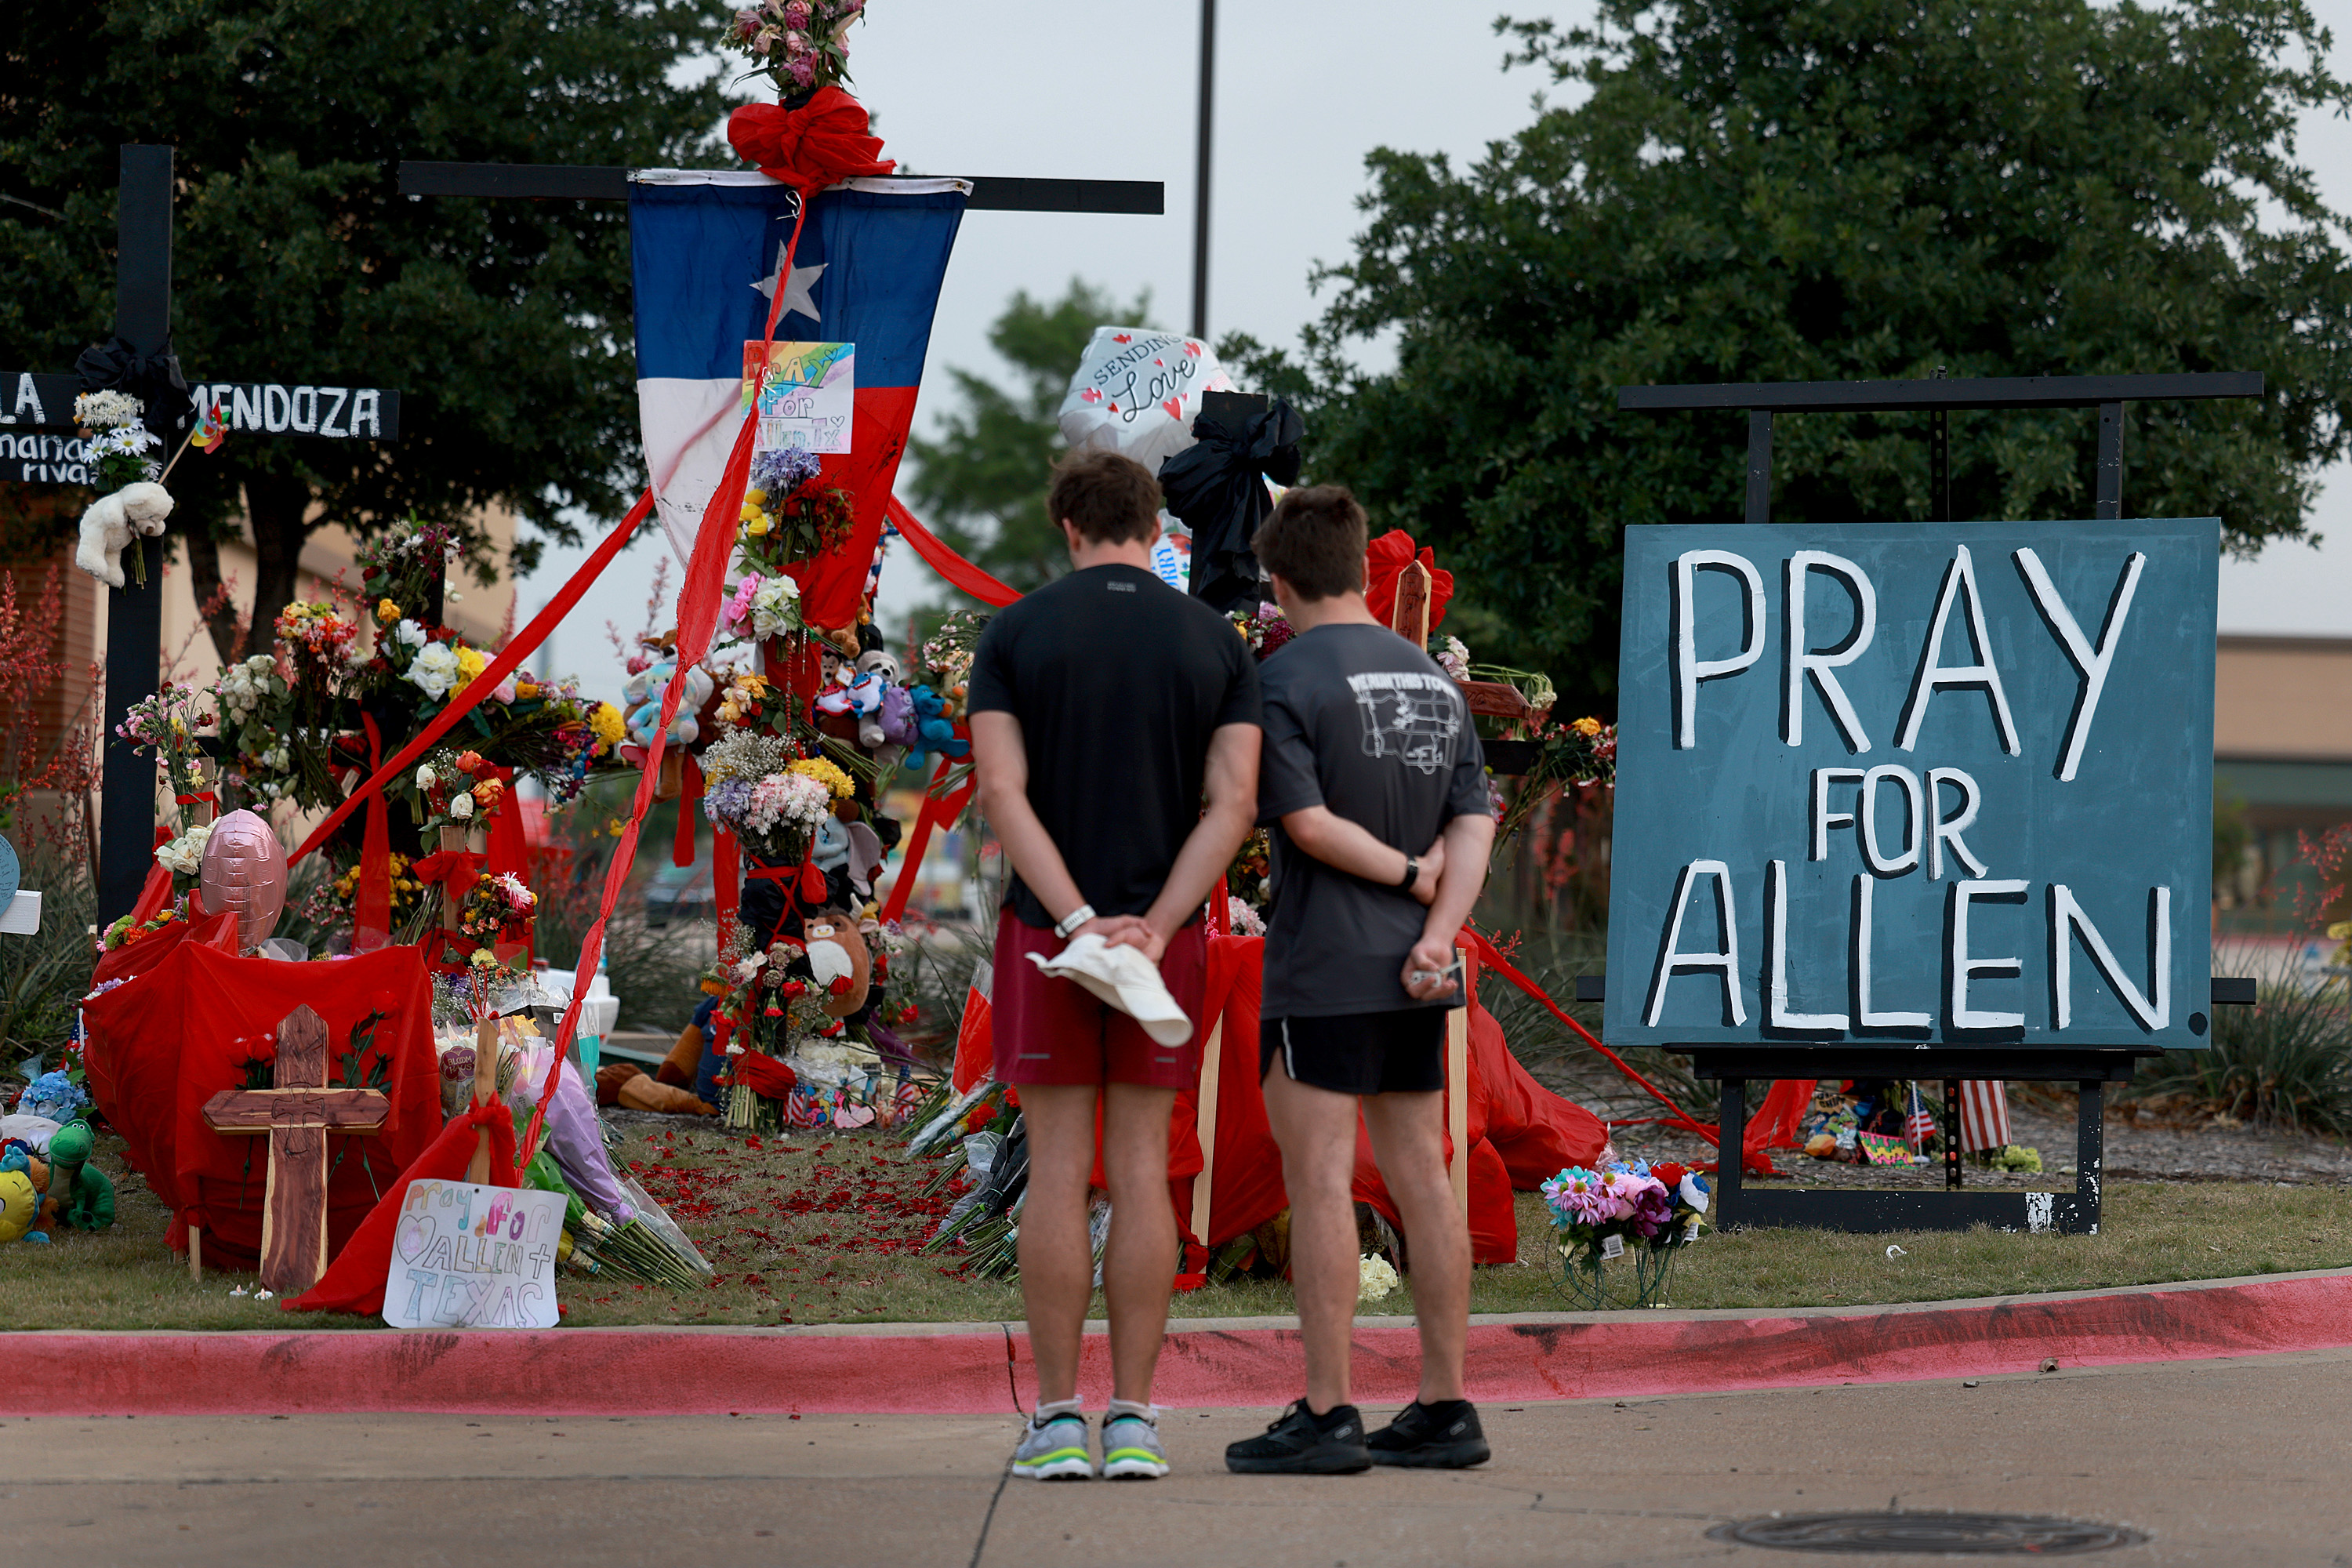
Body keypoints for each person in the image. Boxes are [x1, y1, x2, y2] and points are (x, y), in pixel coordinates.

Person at [967, 448, 1262, 1482]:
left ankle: (1056, 1421)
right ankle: (1133, 1419)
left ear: (1068, 525)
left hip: (1047, 933)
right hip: (1163, 941)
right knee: (1142, 1170)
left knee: (1057, 1170)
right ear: (1154, 525)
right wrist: (1157, 921)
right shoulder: (1215, 640)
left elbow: (1001, 794)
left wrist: (1080, 918)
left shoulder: (1015, 632)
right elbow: (1235, 802)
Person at [1222, 485, 1497, 1475]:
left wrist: (1409, 876)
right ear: (1357, 568)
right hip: (1417, 969)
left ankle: (1328, 1408)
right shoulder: (1432, 678)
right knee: (1424, 1174)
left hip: (1325, 965)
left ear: (1281, 580)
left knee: (1321, 1180)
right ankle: (1446, 1403)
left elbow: (1305, 824)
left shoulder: (1284, 678)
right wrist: (1438, 929)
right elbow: (1477, 820)